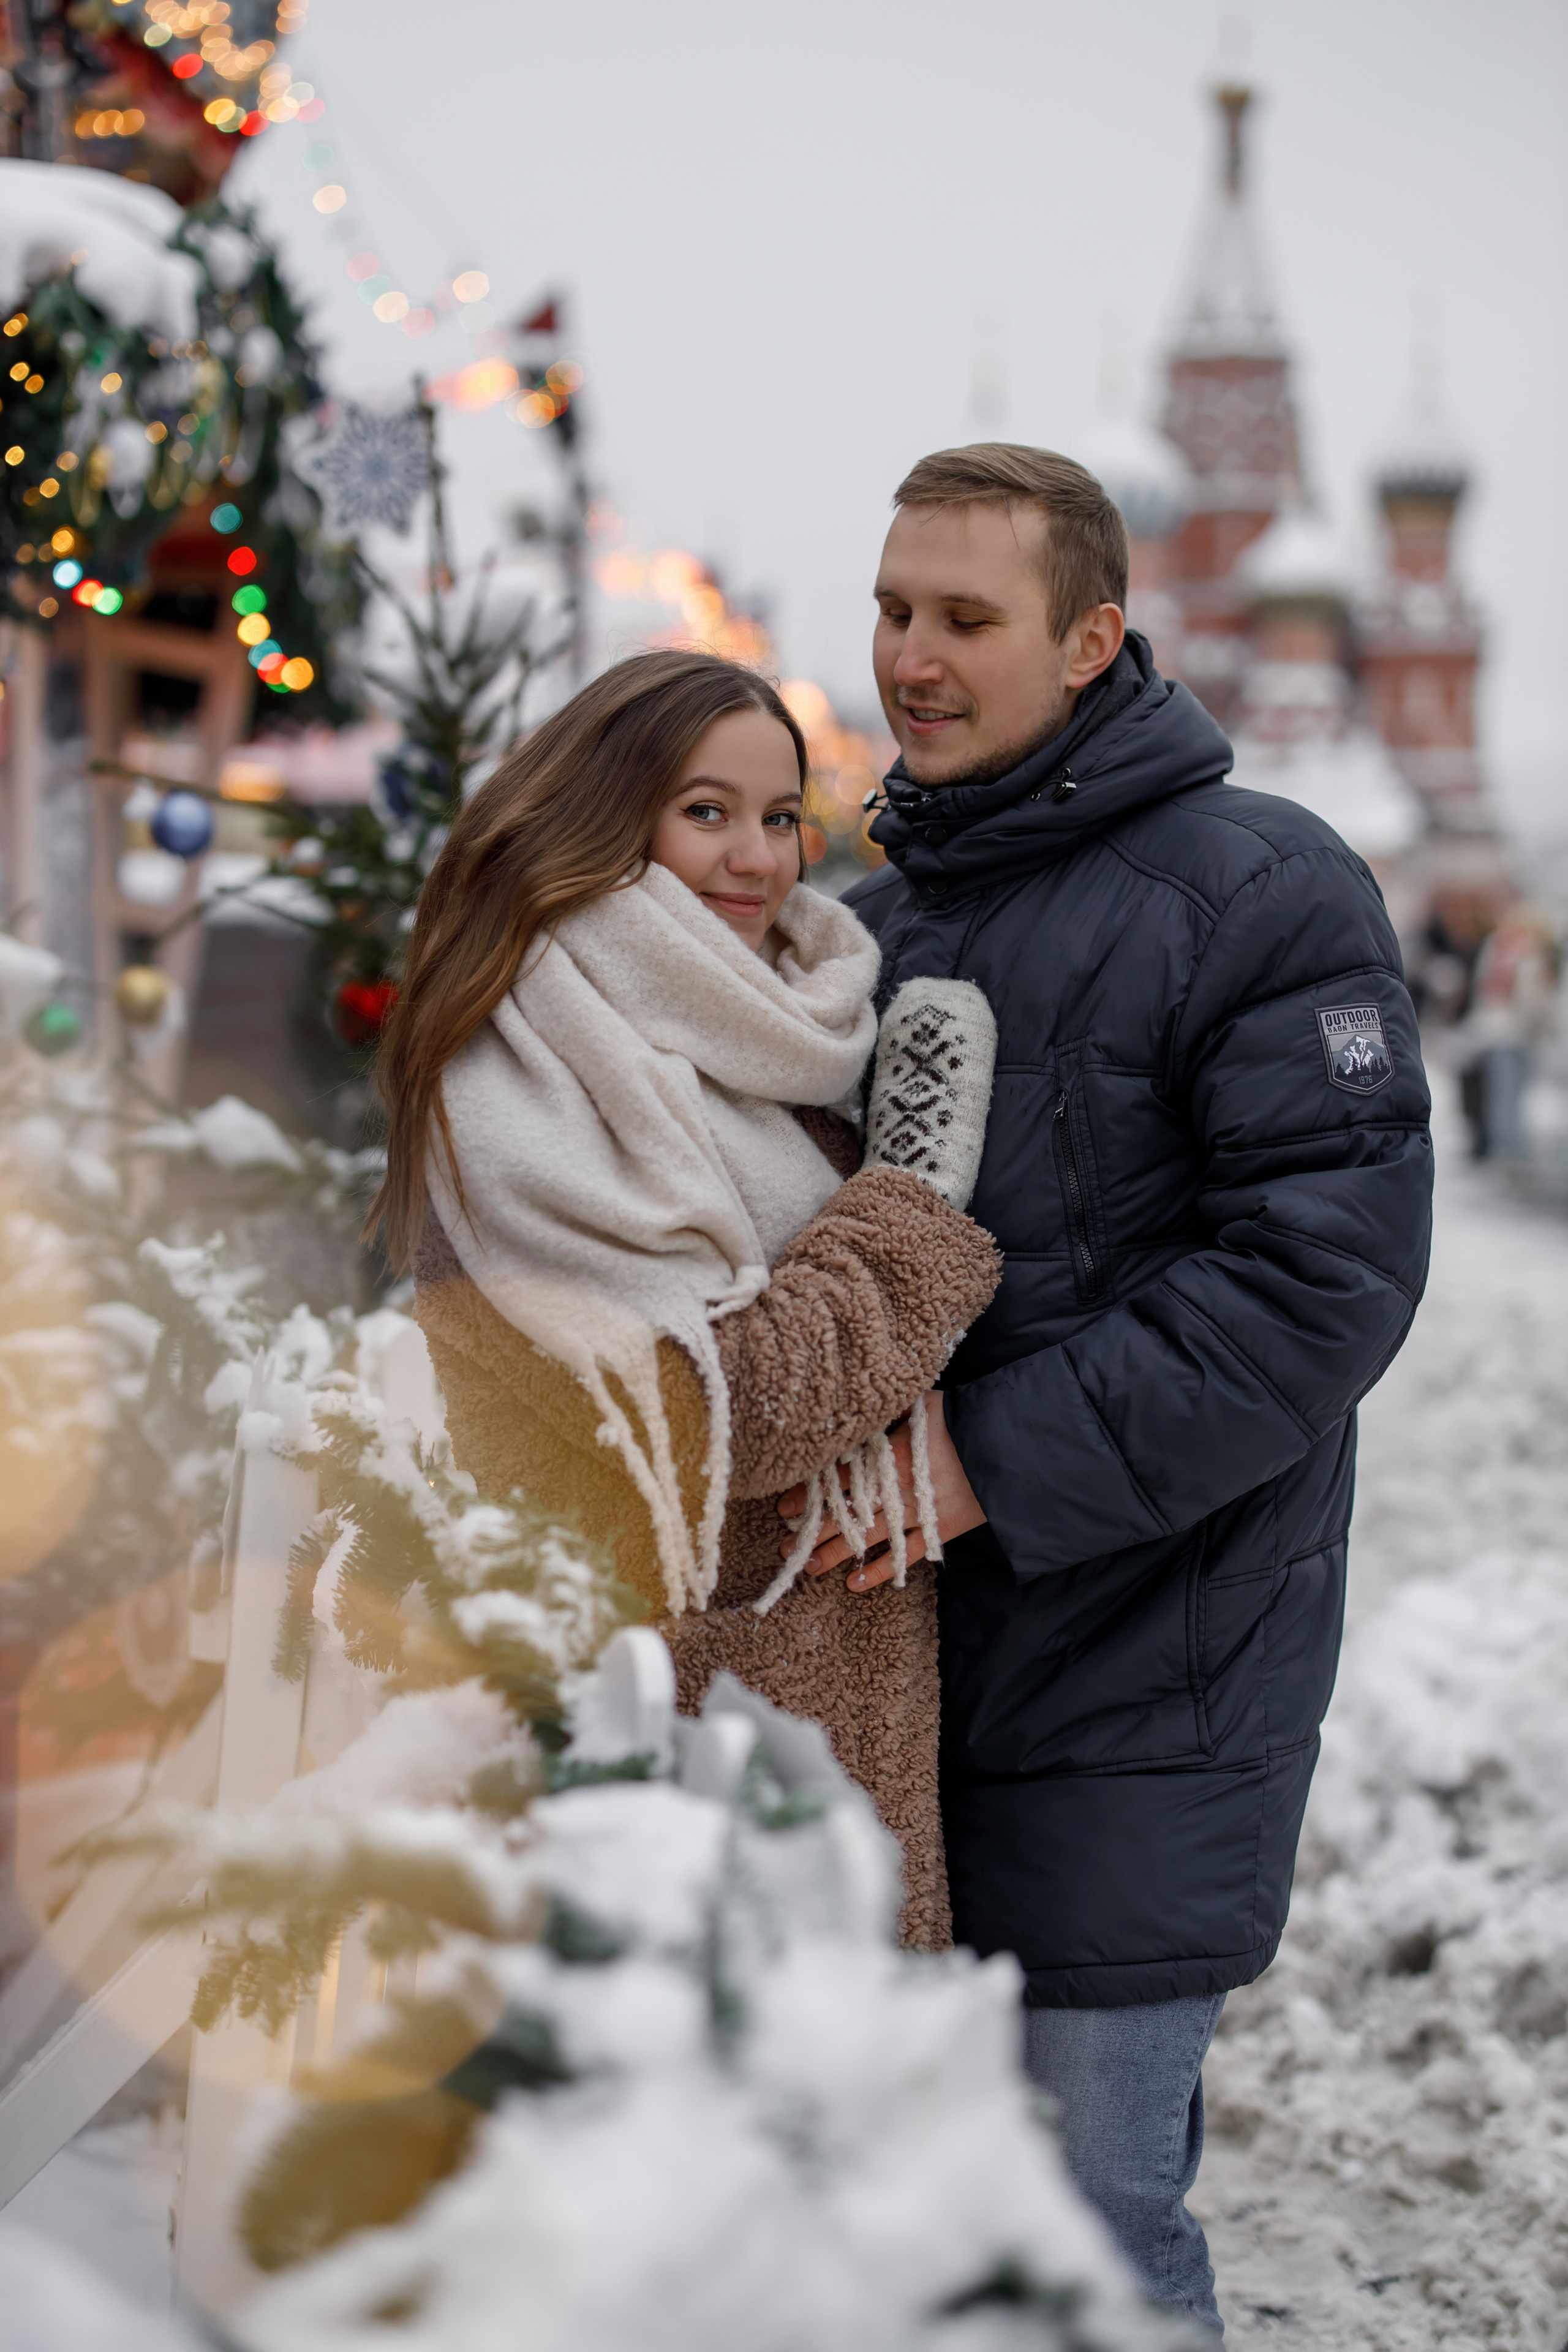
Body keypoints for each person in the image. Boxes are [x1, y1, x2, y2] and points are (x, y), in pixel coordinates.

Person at [806, 443, 1433, 2333]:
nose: (913, 656)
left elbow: (1322, 1281)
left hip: (1154, 1657)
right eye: (896, 610)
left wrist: (988, 1465)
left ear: (1092, 640)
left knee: (1090, 2214)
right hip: (903, 1669)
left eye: (966, 619)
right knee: (931, 2220)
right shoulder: (879, 922)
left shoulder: (1259, 887)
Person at [365, 649, 1001, 1947]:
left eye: (781, 818)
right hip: (656, 1769)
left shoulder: (785, 1040)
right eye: (703, 812)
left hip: (811, 1736)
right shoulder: (523, 1067)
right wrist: (908, 1203)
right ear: (606, 817)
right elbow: (711, 1416)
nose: (757, 861)